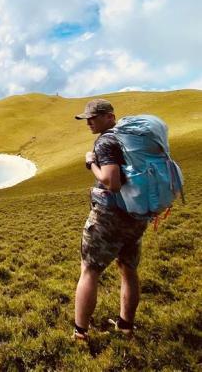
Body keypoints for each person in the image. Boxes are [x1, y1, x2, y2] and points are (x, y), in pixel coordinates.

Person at [72, 99, 149, 342]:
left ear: (110, 116)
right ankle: (125, 326)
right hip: (136, 214)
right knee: (128, 268)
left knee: (89, 270)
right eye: (87, 118)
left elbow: (111, 182)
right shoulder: (131, 139)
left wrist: (91, 163)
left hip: (110, 217)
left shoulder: (106, 141)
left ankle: (80, 333)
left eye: (93, 117)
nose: (89, 122)